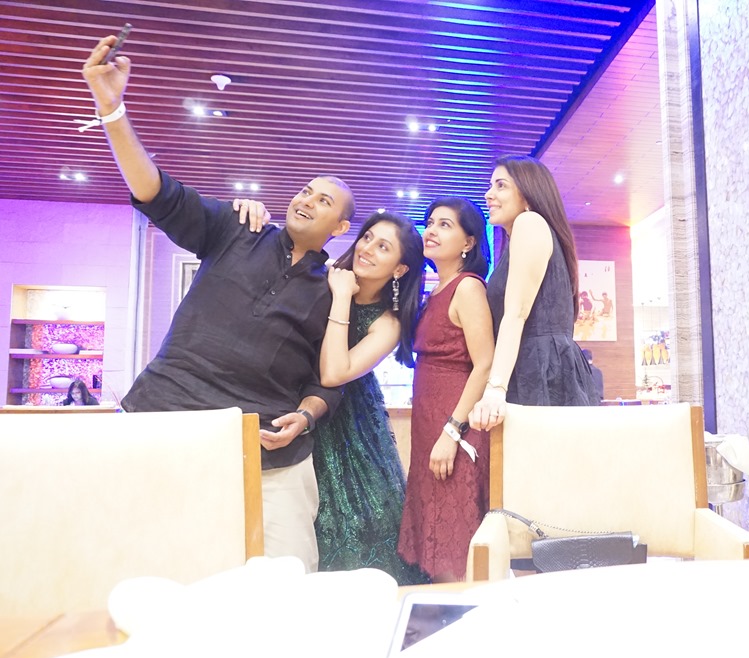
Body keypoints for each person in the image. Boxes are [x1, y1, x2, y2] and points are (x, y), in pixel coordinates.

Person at [82, 35, 350, 573]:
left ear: (340, 228)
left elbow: (329, 380)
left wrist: (304, 416)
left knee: (290, 574)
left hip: (266, 448)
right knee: (134, 565)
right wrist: (112, 108)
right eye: (305, 189)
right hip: (161, 416)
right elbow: (158, 193)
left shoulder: (335, 291)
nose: (306, 199)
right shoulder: (236, 227)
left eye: (323, 201)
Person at [312, 211, 429, 584]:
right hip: (296, 408)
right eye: (367, 238)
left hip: (351, 427)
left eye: (383, 247)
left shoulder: (388, 323)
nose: (367, 249)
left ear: (399, 269)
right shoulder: (322, 277)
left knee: (360, 519)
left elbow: (334, 373)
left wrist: (342, 297)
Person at [398, 197, 494, 582]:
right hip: (430, 425)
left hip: (455, 427)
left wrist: (452, 432)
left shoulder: (467, 288)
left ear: (468, 242)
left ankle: (468, 613)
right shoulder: (437, 290)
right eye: (431, 223)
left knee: (456, 540)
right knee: (436, 535)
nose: (432, 231)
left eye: (445, 225)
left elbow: (484, 364)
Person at [469, 154, 599, 431]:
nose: (488, 194)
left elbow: (516, 313)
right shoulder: (521, 235)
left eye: (501, 185)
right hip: (540, 365)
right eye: (490, 185)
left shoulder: (529, 222)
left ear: (528, 194)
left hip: (540, 368)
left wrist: (495, 388)